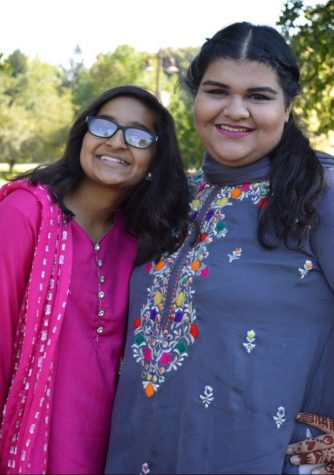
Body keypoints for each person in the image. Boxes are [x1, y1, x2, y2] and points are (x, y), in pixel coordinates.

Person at [104, 22, 334, 474]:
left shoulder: (318, 192)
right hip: (145, 450)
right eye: (217, 91)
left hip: (266, 457)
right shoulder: (173, 197)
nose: (235, 110)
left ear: (287, 107)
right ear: (195, 99)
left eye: (258, 96)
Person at [0, 85, 189, 475]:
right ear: (83, 137)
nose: (117, 143)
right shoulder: (24, 215)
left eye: (138, 136)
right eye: (104, 127)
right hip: (31, 447)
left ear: (155, 158)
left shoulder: (141, 243)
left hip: (113, 451)